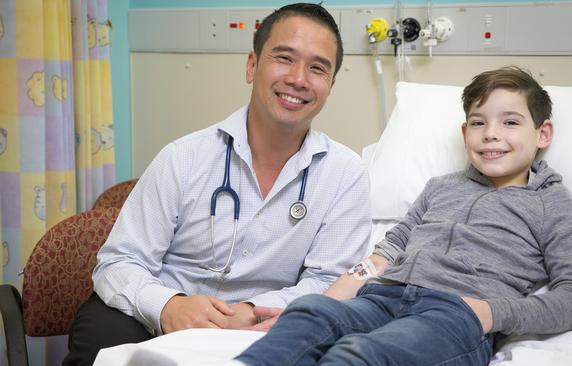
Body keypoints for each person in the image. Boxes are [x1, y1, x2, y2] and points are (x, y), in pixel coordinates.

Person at [63, 4, 372, 365]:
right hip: (156, 317)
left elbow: (329, 282)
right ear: (252, 66)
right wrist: (167, 307)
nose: (299, 78)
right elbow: (119, 261)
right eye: (284, 58)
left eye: (317, 67)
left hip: (265, 327)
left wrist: (255, 309)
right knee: (104, 340)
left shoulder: (345, 175)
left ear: (330, 85)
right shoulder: (184, 157)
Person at [232, 66, 572, 366]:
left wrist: (491, 313)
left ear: (543, 133)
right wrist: (325, 304)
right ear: (464, 131)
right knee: (309, 313)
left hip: (453, 318)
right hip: (383, 299)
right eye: (478, 122)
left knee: (359, 354)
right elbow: (382, 256)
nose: (490, 134)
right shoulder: (440, 187)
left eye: (510, 122)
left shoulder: (551, 202)